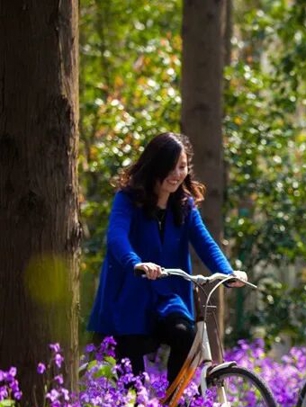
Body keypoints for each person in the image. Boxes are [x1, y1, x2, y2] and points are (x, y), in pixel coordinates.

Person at [88, 132, 246, 385]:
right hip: (130, 298)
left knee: (185, 334)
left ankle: (174, 401)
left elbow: (205, 243)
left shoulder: (185, 205)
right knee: (132, 386)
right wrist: (135, 262)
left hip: (168, 296)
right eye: (170, 167)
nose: (176, 174)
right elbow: (116, 236)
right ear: (154, 166)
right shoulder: (128, 199)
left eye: (182, 167)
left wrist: (228, 273)